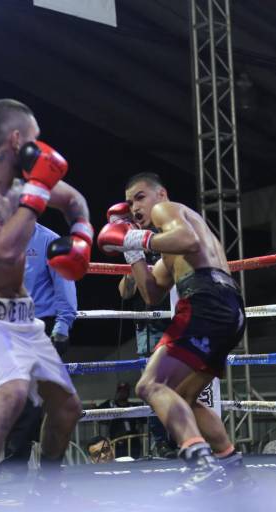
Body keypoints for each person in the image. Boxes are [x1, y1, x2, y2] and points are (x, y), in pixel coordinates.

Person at [0, 99, 92, 498]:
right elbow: (3, 250)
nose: (42, 150)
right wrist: (39, 189)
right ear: (16, 139)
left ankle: (48, 488)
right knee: (11, 393)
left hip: (24, 317)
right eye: (36, 140)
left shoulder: (22, 186)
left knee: (66, 408)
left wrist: (82, 236)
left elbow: (75, 202)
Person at [97, 172, 247, 494]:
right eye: (130, 202)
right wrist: (131, 250)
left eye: (140, 197)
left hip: (204, 302)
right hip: (229, 309)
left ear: (160, 194)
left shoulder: (168, 210)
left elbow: (188, 241)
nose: (135, 207)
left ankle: (201, 464)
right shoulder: (170, 248)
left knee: (150, 385)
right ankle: (231, 464)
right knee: (183, 396)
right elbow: (152, 293)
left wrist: (141, 239)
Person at [3, 222, 78, 471]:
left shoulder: (51, 241)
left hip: (40, 326)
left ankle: (19, 465)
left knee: (35, 398)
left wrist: (62, 326)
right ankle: (33, 466)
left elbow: (65, 284)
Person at [114, 203, 176, 459]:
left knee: (179, 383)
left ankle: (183, 437)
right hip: (147, 327)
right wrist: (133, 262)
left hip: (174, 319)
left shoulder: (167, 238)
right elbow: (124, 292)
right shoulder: (133, 244)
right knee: (152, 385)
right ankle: (162, 442)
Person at [98, 382, 143, 458]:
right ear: (117, 392)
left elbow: (144, 419)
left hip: (133, 441)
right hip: (116, 442)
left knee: (134, 463)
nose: (123, 393)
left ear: (128, 393)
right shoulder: (111, 404)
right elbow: (97, 412)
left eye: (125, 391)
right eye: (121, 391)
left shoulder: (133, 406)